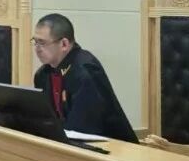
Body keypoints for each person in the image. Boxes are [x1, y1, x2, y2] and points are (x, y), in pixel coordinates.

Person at [31, 13, 135, 142]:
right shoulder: (42, 75)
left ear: (64, 44)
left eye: (42, 43)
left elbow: (82, 128)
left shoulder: (85, 71)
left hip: (111, 147)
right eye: (35, 42)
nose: (37, 49)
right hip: (67, 145)